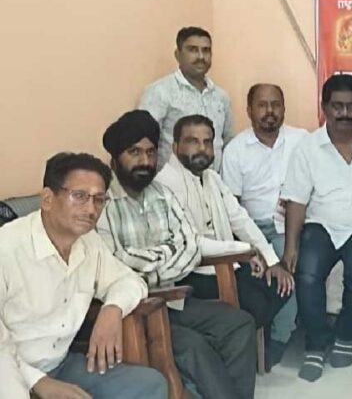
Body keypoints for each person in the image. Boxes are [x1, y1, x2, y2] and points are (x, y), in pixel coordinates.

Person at [96, 110, 257, 399]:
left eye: (150, 152)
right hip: (134, 312)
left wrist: (151, 261)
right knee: (194, 347)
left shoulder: (162, 194)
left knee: (239, 324)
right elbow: (117, 262)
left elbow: (191, 245)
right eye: (134, 152)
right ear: (115, 158)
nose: (145, 161)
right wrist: (170, 253)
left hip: (174, 301)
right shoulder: (101, 203)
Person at [0, 152, 167, 399]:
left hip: (60, 365)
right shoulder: (7, 248)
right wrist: (39, 383)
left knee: (148, 385)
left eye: (99, 199)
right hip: (10, 372)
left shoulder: (89, 243)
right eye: (79, 196)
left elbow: (130, 281)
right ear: (47, 199)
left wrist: (112, 309)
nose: (91, 209)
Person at [155, 114, 294, 369]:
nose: (202, 149)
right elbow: (191, 242)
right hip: (191, 272)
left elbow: (239, 219)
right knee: (255, 302)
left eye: (207, 142)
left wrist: (271, 259)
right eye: (193, 141)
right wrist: (245, 251)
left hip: (226, 263)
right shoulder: (165, 183)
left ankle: (235, 347)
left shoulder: (211, 178)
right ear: (175, 147)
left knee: (282, 283)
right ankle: (231, 350)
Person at [280, 74, 352, 382]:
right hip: (322, 225)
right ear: (325, 107)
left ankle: (344, 336)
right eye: (337, 106)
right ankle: (316, 344)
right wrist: (291, 246)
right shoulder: (307, 148)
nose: (345, 113)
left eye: (351, 106)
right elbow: (297, 201)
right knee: (307, 274)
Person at [221, 83, 308, 359]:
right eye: (262, 105)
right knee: (259, 269)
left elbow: (318, 182)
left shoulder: (301, 140)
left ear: (284, 108)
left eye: (275, 104)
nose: (270, 111)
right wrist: (248, 245)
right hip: (251, 228)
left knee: (288, 263)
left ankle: (281, 337)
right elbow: (232, 205)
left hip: (288, 226)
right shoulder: (236, 150)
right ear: (249, 110)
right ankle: (259, 336)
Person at [140, 26, 233, 170]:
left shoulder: (221, 97)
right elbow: (144, 142)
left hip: (212, 180)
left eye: (206, 50)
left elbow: (228, 141)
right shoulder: (160, 92)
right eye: (193, 50)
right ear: (178, 54)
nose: (201, 57)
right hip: (172, 180)